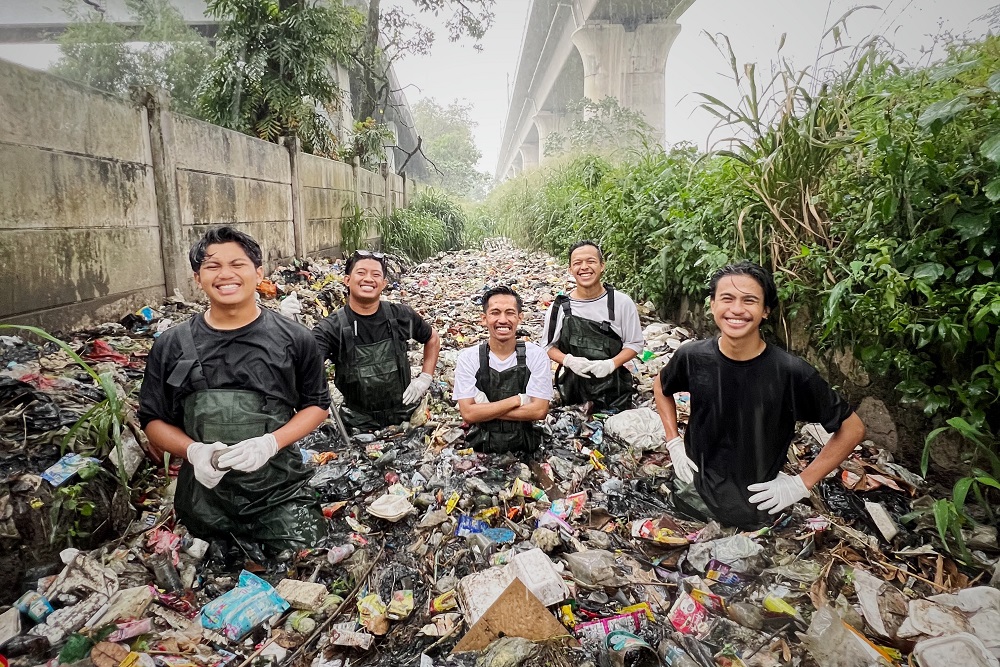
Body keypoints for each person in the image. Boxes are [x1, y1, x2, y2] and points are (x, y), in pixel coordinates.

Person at [138, 227, 331, 552]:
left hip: (278, 491)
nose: (225, 274)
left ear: (258, 273)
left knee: (306, 556)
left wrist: (270, 443)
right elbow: (152, 420)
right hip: (203, 499)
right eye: (212, 266)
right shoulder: (171, 345)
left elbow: (317, 406)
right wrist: (194, 452)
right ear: (197, 277)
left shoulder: (295, 339)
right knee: (206, 560)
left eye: (237, 264)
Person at [653, 261, 866, 529]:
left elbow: (853, 428)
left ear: (765, 310)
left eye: (750, 300)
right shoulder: (692, 357)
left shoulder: (790, 373)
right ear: (712, 305)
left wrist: (801, 482)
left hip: (757, 508)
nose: (737, 309)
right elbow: (661, 387)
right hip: (692, 494)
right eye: (727, 299)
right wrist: (673, 442)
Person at [313, 250, 441, 431]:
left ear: (383, 284)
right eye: (361, 273)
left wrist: (425, 378)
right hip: (356, 423)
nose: (368, 279)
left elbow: (432, 338)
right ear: (347, 280)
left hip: (404, 415)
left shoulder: (401, 316)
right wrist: (289, 326)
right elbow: (305, 360)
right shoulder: (331, 328)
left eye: (375, 275)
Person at [543, 241, 643, 412]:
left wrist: (610, 364)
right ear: (570, 270)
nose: (584, 267)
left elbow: (634, 343)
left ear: (602, 266)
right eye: (577, 263)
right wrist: (569, 361)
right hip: (572, 391)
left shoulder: (621, 303)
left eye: (591, 261)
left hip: (615, 392)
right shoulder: (558, 308)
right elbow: (548, 346)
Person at [453, 286, 552, 453]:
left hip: (526, 443)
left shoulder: (536, 355)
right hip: (481, 444)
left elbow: (540, 410)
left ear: (520, 317)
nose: (503, 320)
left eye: (510, 313)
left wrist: (485, 410)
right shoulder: (469, 358)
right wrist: (518, 400)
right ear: (484, 319)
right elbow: (468, 414)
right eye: (495, 313)